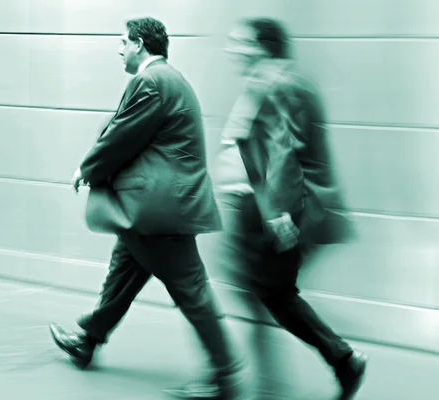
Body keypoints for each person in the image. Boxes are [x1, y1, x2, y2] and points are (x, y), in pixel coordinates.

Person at [49, 17, 244, 399]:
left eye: (123, 42)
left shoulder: (151, 81)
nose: (118, 49)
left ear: (139, 44)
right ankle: (87, 340)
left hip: (158, 210)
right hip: (154, 208)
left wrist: (87, 169)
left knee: (191, 291)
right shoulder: (170, 79)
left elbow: (123, 133)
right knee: (122, 273)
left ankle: (225, 375)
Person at [210, 17, 367, 400]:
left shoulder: (282, 85)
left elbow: (283, 152)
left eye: (240, 43)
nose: (232, 50)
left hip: (272, 210)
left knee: (274, 293)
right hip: (256, 207)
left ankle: (341, 359)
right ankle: (268, 378)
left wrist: (276, 213)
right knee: (263, 292)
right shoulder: (265, 84)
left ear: (263, 46)